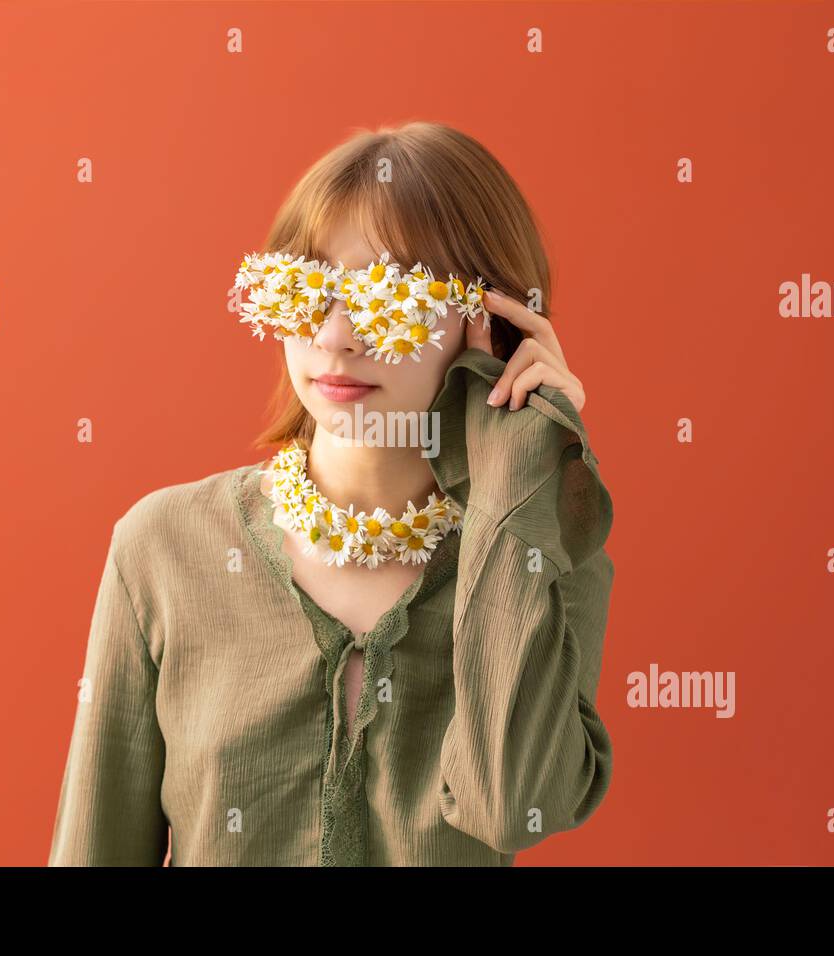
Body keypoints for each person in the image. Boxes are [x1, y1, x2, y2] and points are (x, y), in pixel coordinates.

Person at [47, 121, 617, 866]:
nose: (337, 335)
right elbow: (96, 848)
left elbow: (511, 807)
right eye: (306, 290)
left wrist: (524, 460)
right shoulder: (163, 546)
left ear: (496, 323)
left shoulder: (541, 550)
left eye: (391, 298)